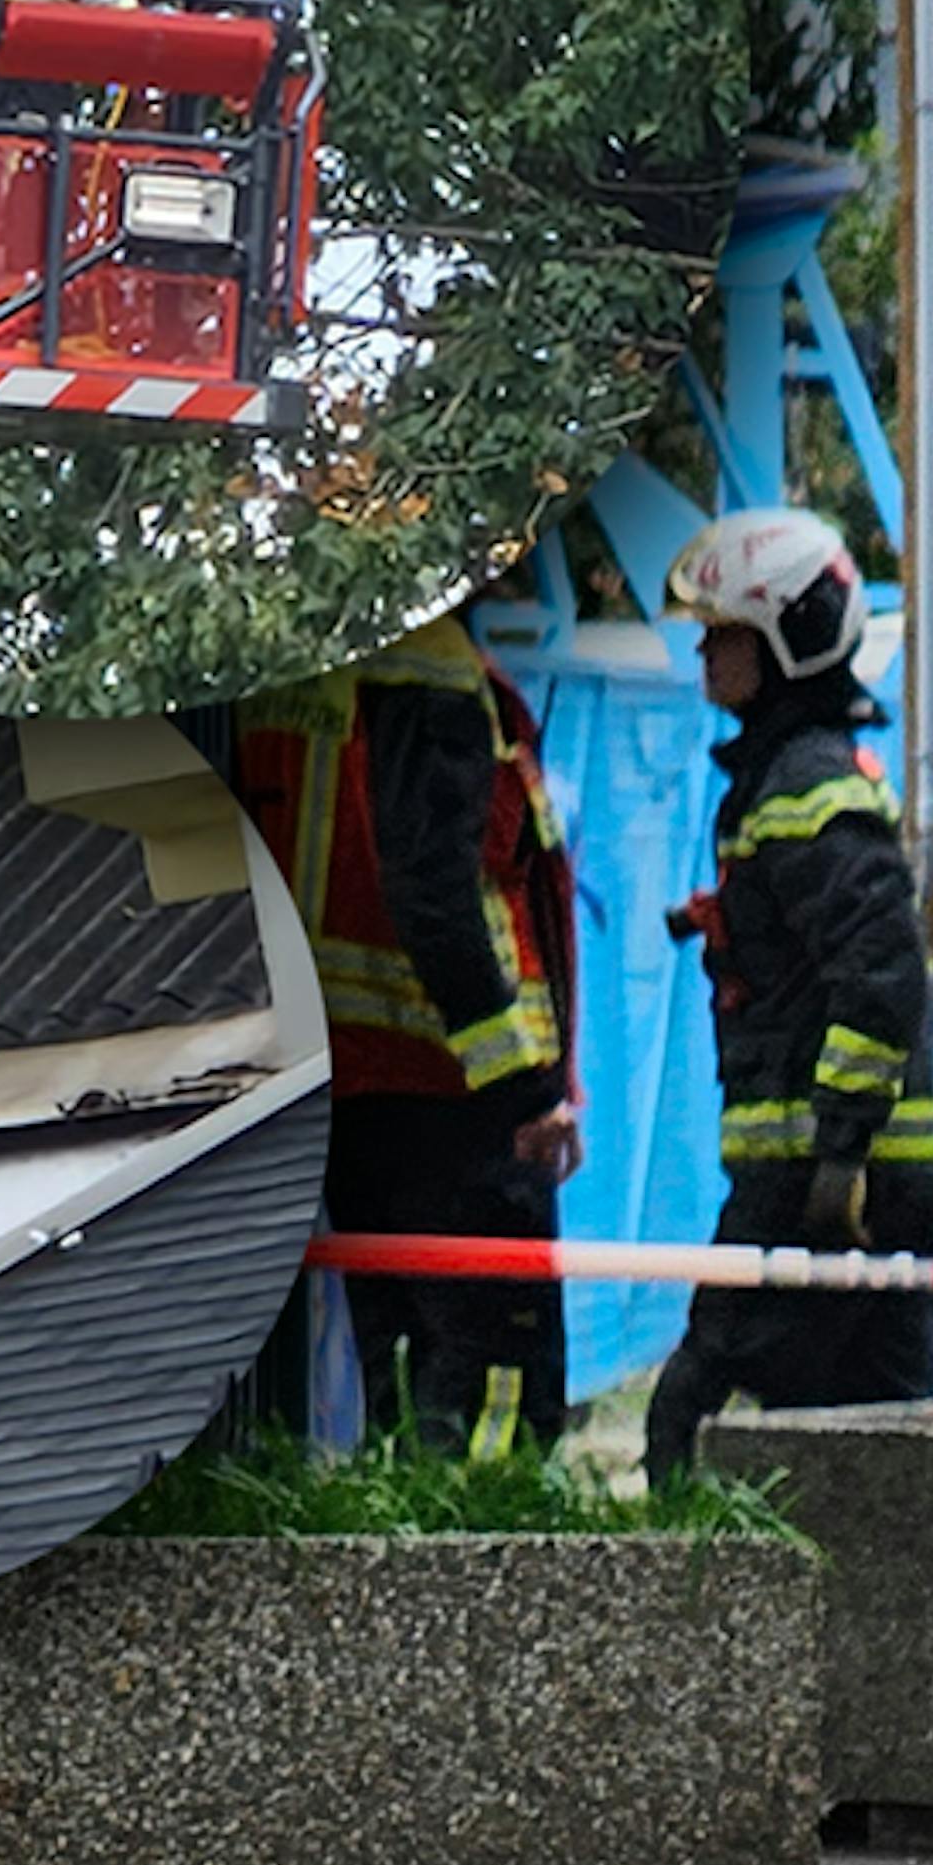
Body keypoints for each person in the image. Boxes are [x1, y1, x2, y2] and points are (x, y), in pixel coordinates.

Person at [644, 508, 933, 1488]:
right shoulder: (788, 776)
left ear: (786, 636)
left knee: (692, 1419)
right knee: (864, 1446)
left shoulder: (806, 785)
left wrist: (837, 1154)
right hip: (839, 1183)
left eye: (722, 633)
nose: (703, 651)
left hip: (829, 1191)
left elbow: (882, 975)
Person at [235, 614, 582, 1460]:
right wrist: (527, 1089)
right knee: (491, 1374)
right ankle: (499, 1557)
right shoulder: (428, 667)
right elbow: (437, 894)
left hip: (351, 1080)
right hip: (455, 1082)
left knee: (394, 1375)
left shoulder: (287, 666)